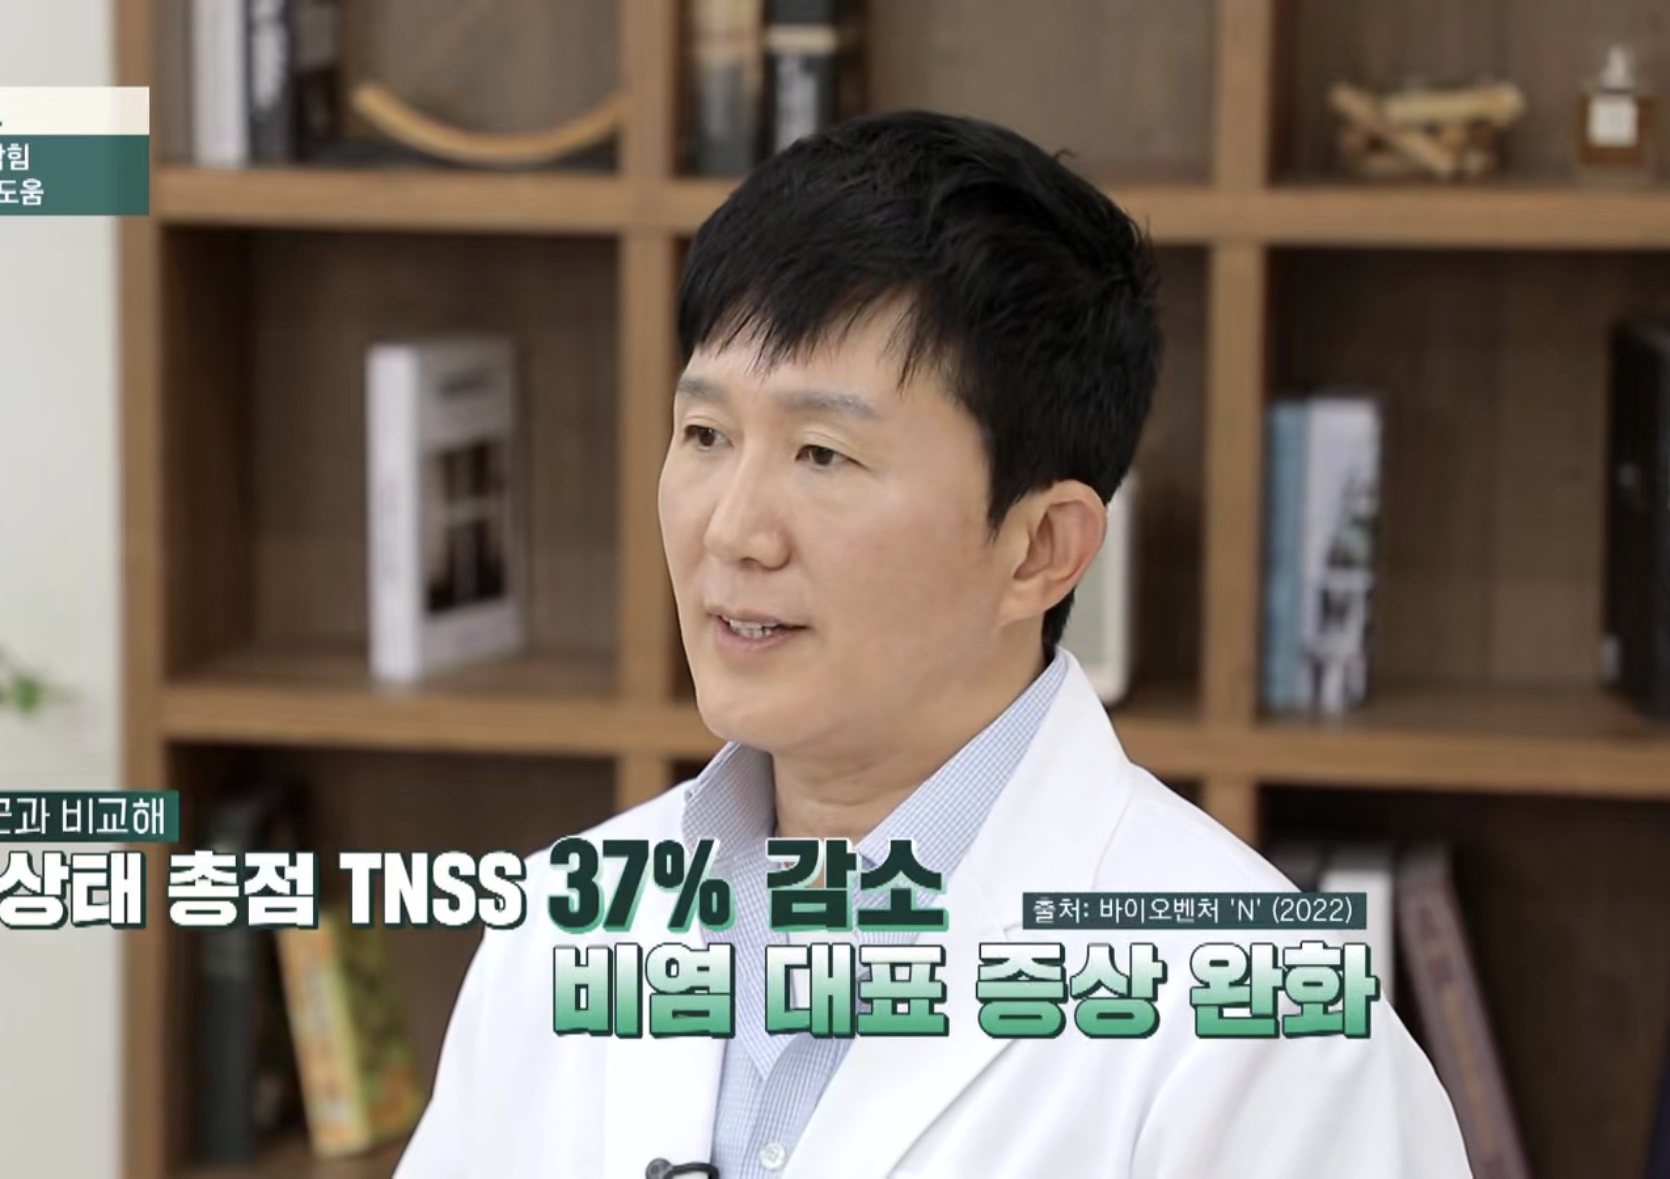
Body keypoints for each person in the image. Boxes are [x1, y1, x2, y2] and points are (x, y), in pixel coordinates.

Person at [393, 110, 1471, 1179]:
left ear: (1038, 549)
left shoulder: (1266, 1032)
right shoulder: (558, 927)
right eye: (706, 434)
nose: (730, 531)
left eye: (821, 454)